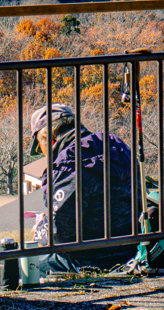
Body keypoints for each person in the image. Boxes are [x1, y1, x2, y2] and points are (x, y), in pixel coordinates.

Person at [29, 103, 140, 272]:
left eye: (39, 146)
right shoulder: (117, 147)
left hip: (87, 259)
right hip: (133, 252)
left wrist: (40, 229)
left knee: (1, 264)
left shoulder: (68, 165)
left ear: (47, 138)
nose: (42, 153)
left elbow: (60, 235)